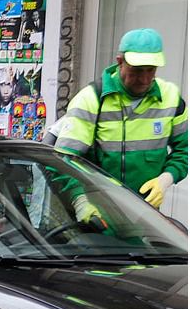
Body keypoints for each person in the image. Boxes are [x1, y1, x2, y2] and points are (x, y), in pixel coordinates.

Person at [54, 28, 187, 208]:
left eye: (151, 70)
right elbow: (64, 161)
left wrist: (166, 179)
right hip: (97, 213)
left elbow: (184, 152)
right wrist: (81, 202)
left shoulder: (171, 99)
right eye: (137, 70)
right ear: (120, 62)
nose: (145, 79)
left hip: (146, 215)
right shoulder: (91, 99)